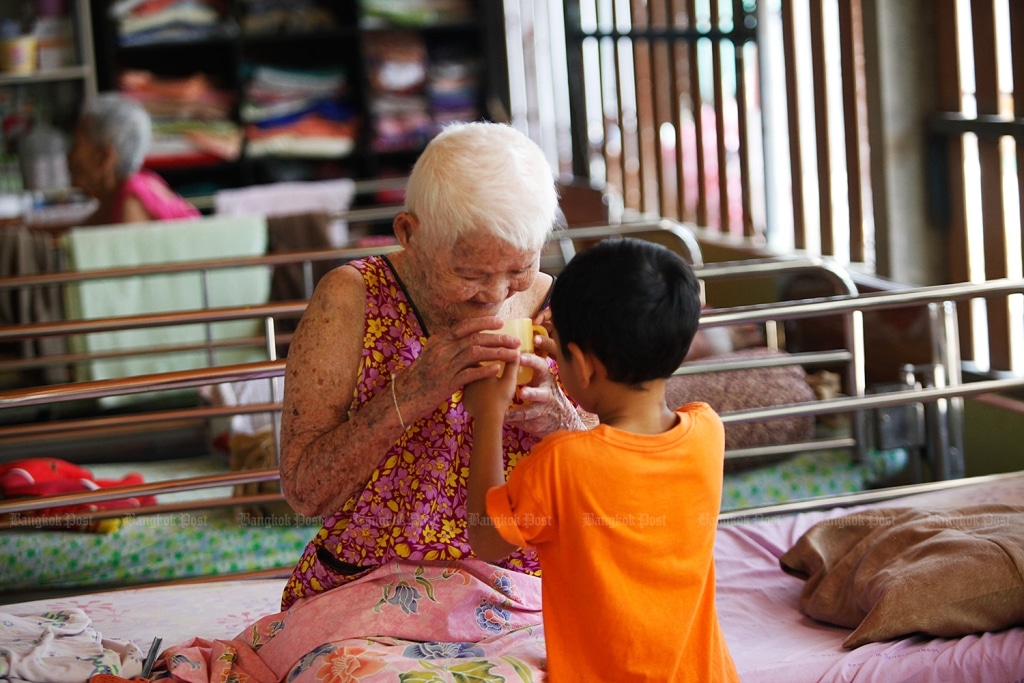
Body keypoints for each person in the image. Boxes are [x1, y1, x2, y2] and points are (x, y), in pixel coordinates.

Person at [277, 121, 591, 609]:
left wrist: (564, 423)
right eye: (470, 274)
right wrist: (411, 393)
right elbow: (303, 491)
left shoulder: (561, 305)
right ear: (408, 233)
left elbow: (614, 468)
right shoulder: (352, 298)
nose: (493, 295)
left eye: (518, 269)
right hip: (374, 589)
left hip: (529, 594)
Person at [463, 237, 740, 682]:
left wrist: (489, 415)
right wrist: (576, 356)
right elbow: (624, 466)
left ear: (583, 365)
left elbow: (486, 539)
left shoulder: (562, 462)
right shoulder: (707, 430)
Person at [67, 92, 201, 225]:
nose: (69, 156)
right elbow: (82, 235)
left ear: (104, 157)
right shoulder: (119, 194)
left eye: (75, 145)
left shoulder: (132, 202)